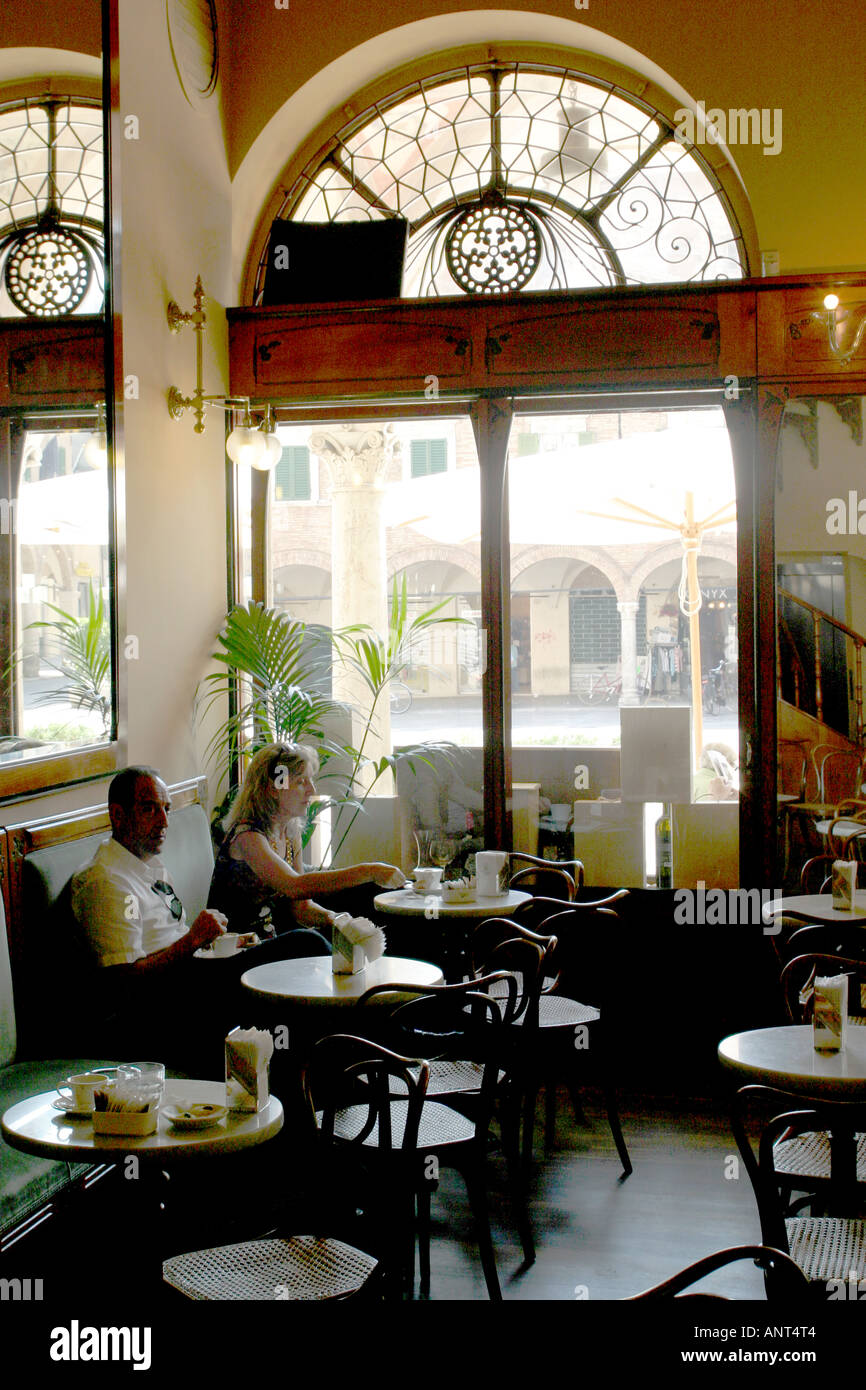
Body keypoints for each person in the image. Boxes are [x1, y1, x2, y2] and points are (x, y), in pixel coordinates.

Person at [207, 742, 406, 936]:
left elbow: (301, 907)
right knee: (309, 941)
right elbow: (294, 886)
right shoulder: (248, 837)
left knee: (371, 894)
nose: (312, 790)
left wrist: (339, 921)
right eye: (301, 781)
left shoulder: (289, 831)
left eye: (310, 780)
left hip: (275, 936)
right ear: (274, 789)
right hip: (240, 948)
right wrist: (369, 870)